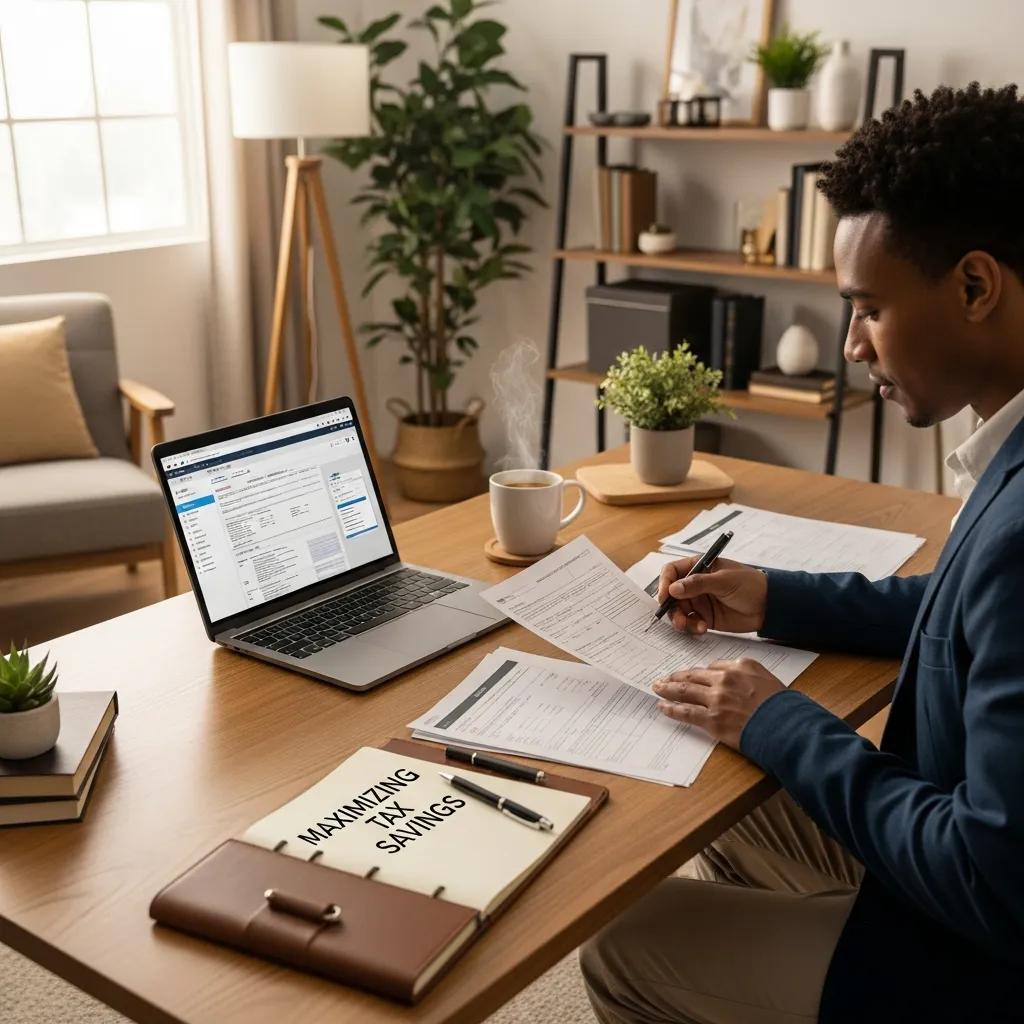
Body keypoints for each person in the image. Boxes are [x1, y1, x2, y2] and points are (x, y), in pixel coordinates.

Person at [580, 82, 1024, 1023]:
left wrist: (783, 723)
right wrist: (773, 596)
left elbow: (993, 880)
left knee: (625, 943)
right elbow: (959, 614)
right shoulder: (1008, 452)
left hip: (979, 958)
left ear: (976, 286)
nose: (853, 342)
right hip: (964, 885)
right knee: (734, 792)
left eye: (866, 306)